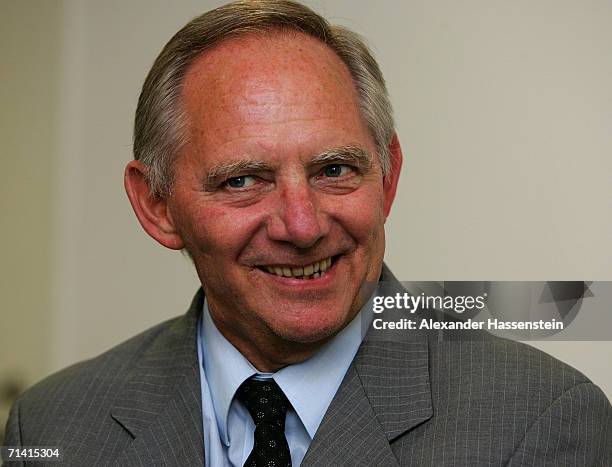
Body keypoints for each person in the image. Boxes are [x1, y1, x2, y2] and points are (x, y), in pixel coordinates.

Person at [3, 1, 611, 466]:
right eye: (244, 180)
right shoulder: (52, 428)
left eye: (335, 170)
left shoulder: (539, 423)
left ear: (388, 179)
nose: (302, 224)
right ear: (156, 205)